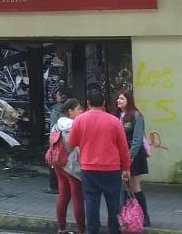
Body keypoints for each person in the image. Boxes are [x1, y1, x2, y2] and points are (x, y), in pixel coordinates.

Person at [67, 88, 132, 234]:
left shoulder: (79, 120)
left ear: (88, 103)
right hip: (112, 169)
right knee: (113, 203)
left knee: (91, 202)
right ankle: (114, 230)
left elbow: (71, 144)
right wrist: (126, 168)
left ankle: (92, 230)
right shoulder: (114, 121)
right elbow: (123, 148)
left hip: (88, 169)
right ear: (103, 103)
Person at [115, 90, 150, 226]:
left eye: (121, 99)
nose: (118, 101)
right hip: (122, 155)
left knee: (135, 186)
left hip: (134, 156)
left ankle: (145, 216)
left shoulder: (136, 116)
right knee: (124, 186)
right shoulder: (117, 115)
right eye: (118, 98)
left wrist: (129, 157)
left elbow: (137, 139)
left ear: (128, 100)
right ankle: (127, 216)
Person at [52, 98, 85, 234]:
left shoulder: (57, 125)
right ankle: (81, 230)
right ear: (70, 111)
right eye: (78, 109)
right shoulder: (76, 125)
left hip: (59, 164)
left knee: (63, 196)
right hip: (72, 166)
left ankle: (61, 228)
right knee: (77, 199)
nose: (80, 111)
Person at [47, 87, 71, 194]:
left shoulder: (56, 109)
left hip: (59, 140)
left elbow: (53, 128)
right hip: (72, 140)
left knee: (55, 162)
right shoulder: (75, 107)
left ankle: (54, 186)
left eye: (57, 94)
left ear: (61, 95)